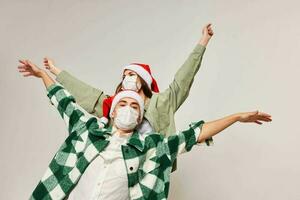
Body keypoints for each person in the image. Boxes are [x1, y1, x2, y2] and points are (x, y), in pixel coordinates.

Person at [18, 58, 272, 200]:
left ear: (140, 115)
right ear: (113, 111)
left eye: (134, 106)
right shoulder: (87, 128)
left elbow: (197, 133)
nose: (128, 108)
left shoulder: (151, 148)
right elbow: (63, 99)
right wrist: (43, 74)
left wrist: (237, 117)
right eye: (123, 104)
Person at [39, 24, 216, 172]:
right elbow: (86, 94)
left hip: (150, 168)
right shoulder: (117, 104)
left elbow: (183, 79)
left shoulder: (162, 102)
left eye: (131, 74)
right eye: (124, 75)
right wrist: (56, 72)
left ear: (143, 79)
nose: (127, 78)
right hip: (118, 166)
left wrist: (204, 41)